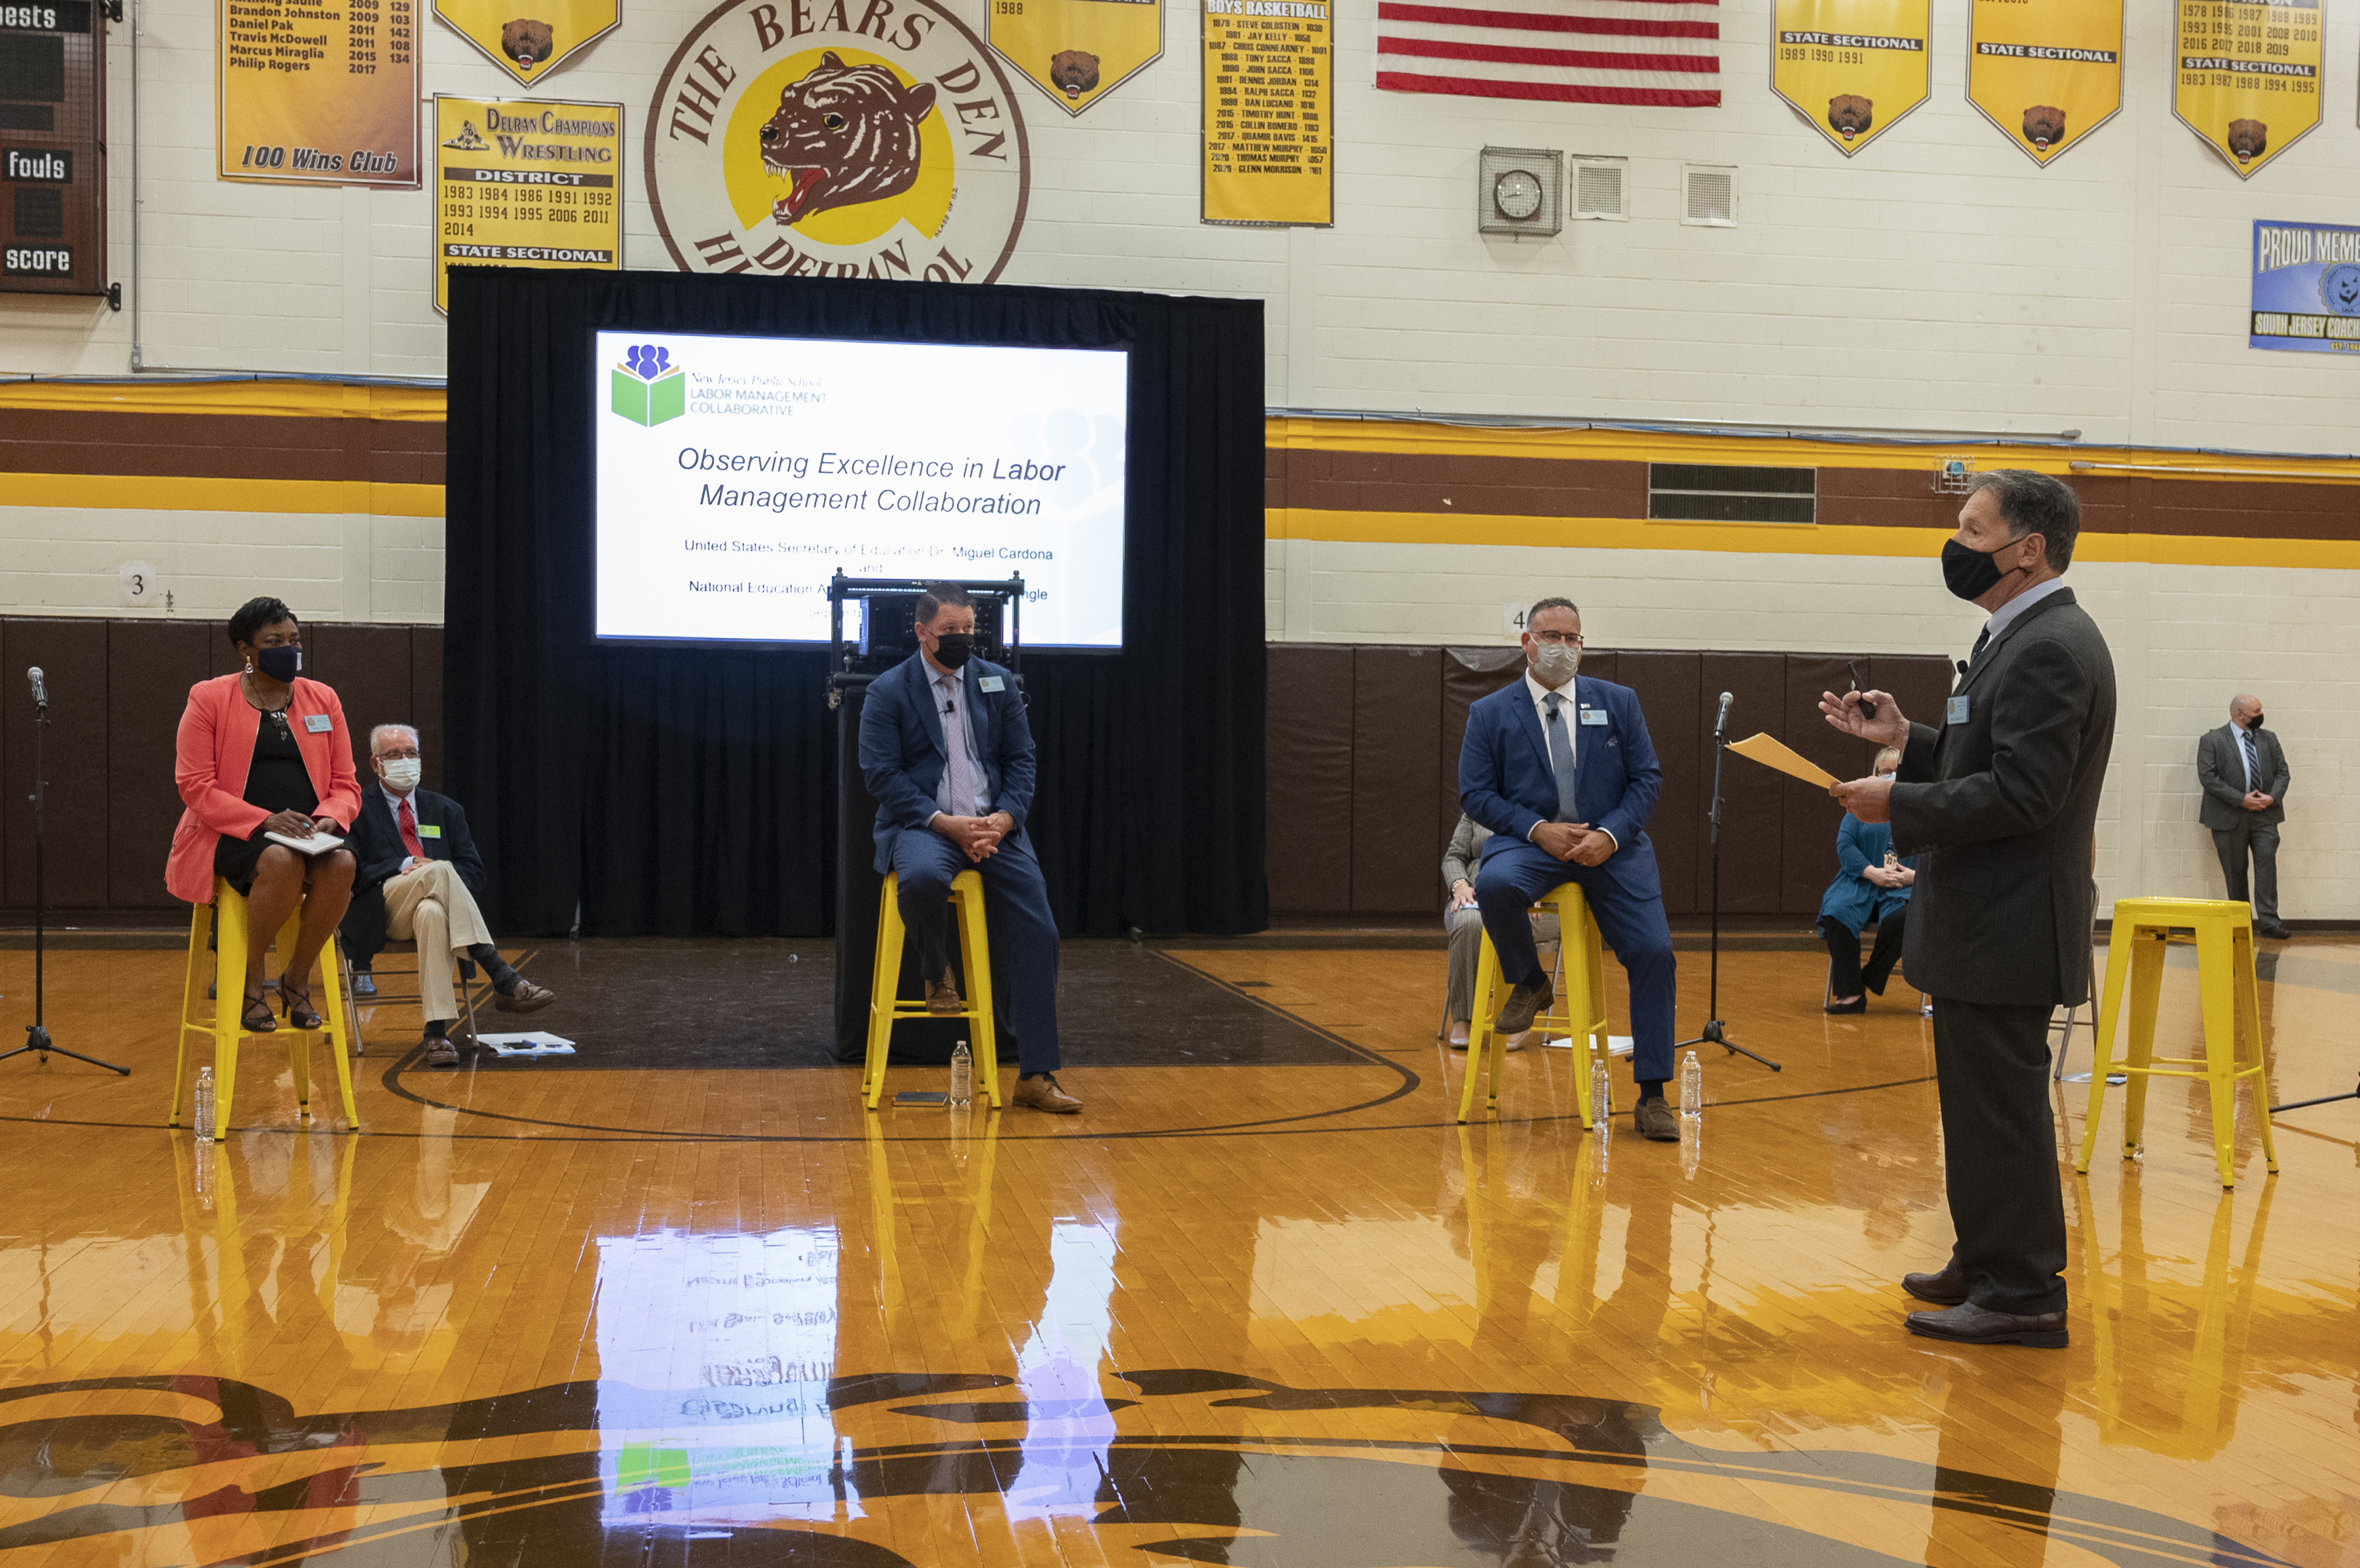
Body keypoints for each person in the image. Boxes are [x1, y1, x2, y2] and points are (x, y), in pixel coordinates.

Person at [1821, 468, 2114, 1350]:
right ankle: (1987, 1258)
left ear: (2026, 548)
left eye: (1970, 528)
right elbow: (1985, 752)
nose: (1955, 544)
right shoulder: (2013, 636)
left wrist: (1895, 805)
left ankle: (2023, 1290)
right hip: (1987, 918)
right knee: (1978, 1108)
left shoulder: (2051, 645)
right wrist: (1905, 741)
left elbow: (2024, 793)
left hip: (2010, 919)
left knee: (2000, 1112)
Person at [1458, 597, 1679, 1142]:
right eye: (1549, 636)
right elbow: (1475, 793)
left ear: (1582, 644)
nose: (1560, 647)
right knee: (1493, 884)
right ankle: (1531, 983)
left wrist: (1608, 835)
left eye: (1571, 638)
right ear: (1525, 643)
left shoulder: (1618, 702)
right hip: (1531, 843)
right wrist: (1538, 830)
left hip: (1612, 847)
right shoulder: (1489, 712)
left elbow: (1646, 779)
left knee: (1654, 953)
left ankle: (1652, 1095)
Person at [857, 583, 1078, 1114]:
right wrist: (944, 823)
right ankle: (936, 969)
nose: (960, 640)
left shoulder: (997, 682)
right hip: (924, 825)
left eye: (967, 631)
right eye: (948, 632)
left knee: (1038, 928)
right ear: (921, 632)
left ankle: (1035, 1074)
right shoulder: (888, 691)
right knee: (923, 880)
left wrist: (1003, 819)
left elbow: (1023, 759)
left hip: (993, 827)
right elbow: (880, 775)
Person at [166, 597, 364, 1035]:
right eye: (275, 641)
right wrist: (263, 821)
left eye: (294, 639)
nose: (289, 649)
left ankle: (297, 976)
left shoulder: (322, 698)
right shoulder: (209, 697)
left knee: (344, 863)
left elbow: (346, 783)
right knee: (279, 860)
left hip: (311, 830)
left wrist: (331, 815)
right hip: (231, 831)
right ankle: (250, 979)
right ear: (246, 650)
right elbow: (194, 785)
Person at [343, 723, 556, 1067]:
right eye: (394, 755)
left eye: (411, 753)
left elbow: (474, 871)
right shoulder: (355, 809)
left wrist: (431, 874)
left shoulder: (446, 810)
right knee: (440, 869)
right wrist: (406, 864)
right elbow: (350, 874)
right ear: (374, 763)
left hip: (430, 909)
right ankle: (500, 973)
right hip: (381, 909)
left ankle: (436, 1033)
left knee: (432, 913)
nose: (404, 760)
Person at [1440, 812, 1558, 1049]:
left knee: (1509, 921)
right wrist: (1460, 885)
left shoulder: (1549, 806)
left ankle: (1521, 1011)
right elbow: (1453, 857)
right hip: (1476, 896)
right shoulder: (1479, 809)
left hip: (1534, 901)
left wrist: (1541, 888)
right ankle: (1464, 1017)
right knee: (1468, 922)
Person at [1818, 746, 1916, 1013]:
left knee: (1908, 918)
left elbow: (1941, 855)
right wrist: (1872, 872)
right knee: (1837, 910)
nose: (1889, 777)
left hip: (1903, 887)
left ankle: (1870, 976)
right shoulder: (1858, 805)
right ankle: (1851, 996)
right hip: (1860, 881)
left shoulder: (1922, 810)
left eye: (1895, 772)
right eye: (1883, 772)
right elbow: (1845, 845)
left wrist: (1913, 877)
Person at [2197, 695, 2289, 939]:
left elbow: (2283, 773)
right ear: (2240, 714)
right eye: (2256, 711)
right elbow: (2209, 778)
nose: (2261, 714)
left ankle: (2270, 922)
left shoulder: (2269, 739)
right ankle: (2241, 924)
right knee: (2235, 871)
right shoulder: (2212, 740)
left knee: (2267, 866)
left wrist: (2271, 797)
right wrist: (2242, 799)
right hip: (2229, 817)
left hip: (2265, 816)